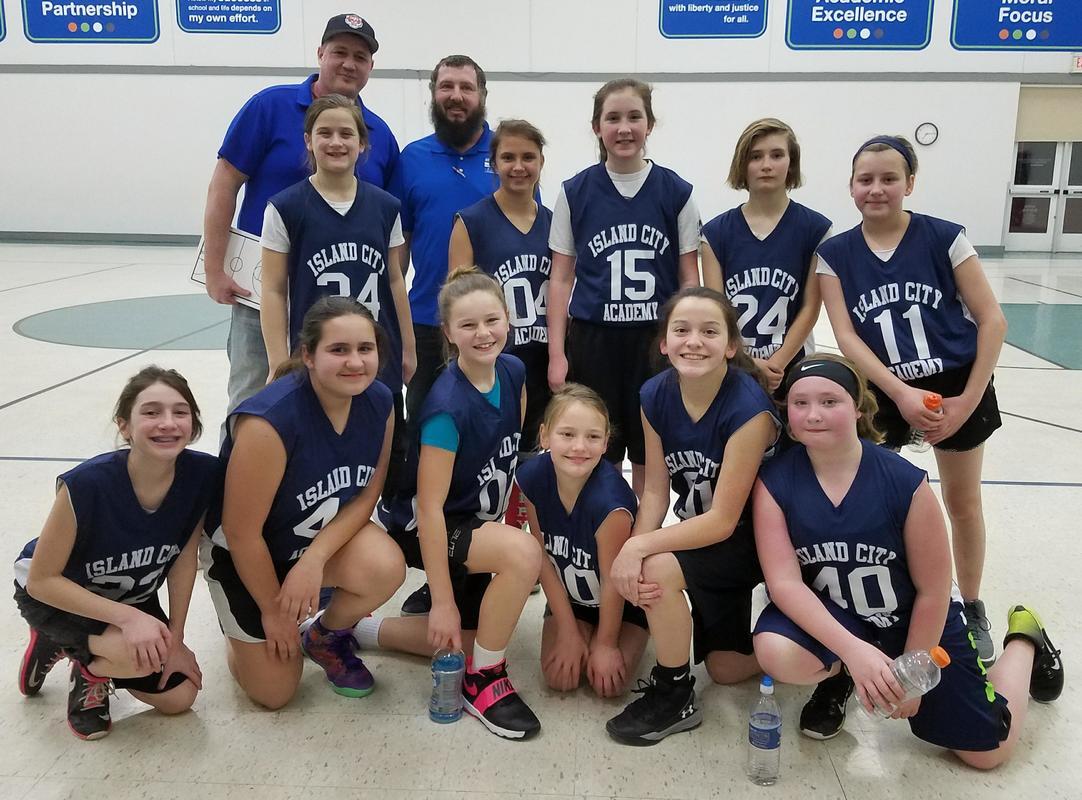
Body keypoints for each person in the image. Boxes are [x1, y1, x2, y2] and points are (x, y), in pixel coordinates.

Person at [752, 353, 1063, 768]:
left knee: (987, 755)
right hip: (840, 618)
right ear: (787, 414)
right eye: (800, 403)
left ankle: (1025, 639)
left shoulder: (904, 482)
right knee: (776, 649)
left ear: (858, 407)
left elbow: (934, 590)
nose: (813, 414)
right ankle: (845, 676)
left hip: (911, 620)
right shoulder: (774, 482)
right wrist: (856, 653)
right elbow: (785, 584)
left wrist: (915, 672)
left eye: (830, 401)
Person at [817, 135, 1007, 682]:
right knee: (873, 502)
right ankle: (883, 597)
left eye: (889, 178)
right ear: (851, 186)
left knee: (962, 502)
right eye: (865, 179)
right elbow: (847, 338)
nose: (876, 189)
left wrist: (968, 400)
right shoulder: (835, 253)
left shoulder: (945, 237)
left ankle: (971, 605)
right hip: (882, 388)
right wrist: (898, 393)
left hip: (955, 382)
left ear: (910, 183)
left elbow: (992, 320)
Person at [365, 267, 543, 740]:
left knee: (470, 637)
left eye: (492, 320)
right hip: (426, 527)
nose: (483, 333)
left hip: (472, 520)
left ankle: (360, 630)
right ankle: (482, 681)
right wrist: (444, 601)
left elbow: (507, 461)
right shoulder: (446, 407)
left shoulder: (514, 371)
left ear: (508, 320)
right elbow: (428, 510)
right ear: (447, 332)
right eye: (468, 325)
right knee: (523, 556)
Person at [201, 297, 405, 709]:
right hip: (244, 555)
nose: (355, 362)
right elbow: (241, 534)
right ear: (308, 355)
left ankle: (325, 636)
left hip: (309, 544)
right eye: (338, 349)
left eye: (365, 349)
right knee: (275, 693)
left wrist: (314, 560)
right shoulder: (268, 422)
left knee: (385, 566)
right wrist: (273, 612)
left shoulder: (380, 400)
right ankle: (238, 633)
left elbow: (367, 496)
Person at [203, 13, 400, 418]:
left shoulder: (379, 134)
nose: (349, 63)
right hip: (262, 292)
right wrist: (214, 267)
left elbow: (390, 231)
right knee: (256, 397)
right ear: (320, 53)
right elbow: (224, 183)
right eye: (340, 52)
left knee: (336, 408)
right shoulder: (269, 107)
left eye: (359, 57)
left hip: (340, 301)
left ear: (370, 67)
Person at [606, 287, 779, 746]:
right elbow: (655, 491)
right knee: (724, 669)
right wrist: (632, 553)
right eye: (681, 330)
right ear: (664, 342)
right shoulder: (654, 394)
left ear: (731, 345)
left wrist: (639, 547)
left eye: (709, 331)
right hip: (708, 536)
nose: (694, 341)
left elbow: (724, 520)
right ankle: (789, 648)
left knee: (656, 567)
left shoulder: (749, 408)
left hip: (760, 541)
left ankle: (675, 692)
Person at [14, 367, 218, 740]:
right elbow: (41, 581)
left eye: (180, 412)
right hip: (59, 598)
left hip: (128, 596)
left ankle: (82, 651)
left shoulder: (202, 474)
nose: (168, 423)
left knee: (180, 696)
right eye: (151, 412)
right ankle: (85, 666)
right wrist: (129, 619)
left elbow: (183, 560)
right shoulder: (87, 484)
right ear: (124, 425)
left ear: (193, 423)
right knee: (131, 654)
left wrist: (175, 638)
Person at [547, 79, 700, 497]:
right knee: (599, 447)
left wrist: (686, 342)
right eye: (612, 118)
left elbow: (689, 279)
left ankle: (644, 530)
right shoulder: (575, 191)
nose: (624, 128)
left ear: (650, 124)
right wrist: (557, 353)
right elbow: (560, 278)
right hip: (594, 341)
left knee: (651, 452)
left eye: (634, 117)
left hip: (655, 341)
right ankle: (607, 525)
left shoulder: (676, 192)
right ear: (597, 127)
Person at [260, 93, 415, 496]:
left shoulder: (386, 206)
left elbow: (394, 280)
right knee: (318, 454)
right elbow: (273, 289)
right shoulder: (285, 207)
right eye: (324, 133)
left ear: (363, 143)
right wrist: (277, 360)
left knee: (381, 452)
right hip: (319, 356)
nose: (336, 142)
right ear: (308, 141)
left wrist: (408, 347)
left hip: (374, 352)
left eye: (346, 133)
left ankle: (381, 518)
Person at [390, 54, 499, 615]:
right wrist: (396, 322)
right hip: (429, 326)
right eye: (447, 86)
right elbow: (399, 246)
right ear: (434, 93)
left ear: (482, 95)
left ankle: (488, 554)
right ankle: (438, 566)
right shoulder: (412, 159)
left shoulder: (505, 154)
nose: (456, 96)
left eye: (467, 87)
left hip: (488, 331)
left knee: (490, 445)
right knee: (431, 446)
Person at [517, 384, 648, 698]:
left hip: (622, 602)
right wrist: (567, 629)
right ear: (545, 436)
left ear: (605, 443)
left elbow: (613, 580)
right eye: (567, 434)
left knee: (608, 685)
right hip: (572, 598)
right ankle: (580, 629)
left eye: (592, 436)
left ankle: (631, 631)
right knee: (559, 678)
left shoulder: (610, 502)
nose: (579, 447)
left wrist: (606, 644)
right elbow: (542, 558)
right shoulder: (532, 477)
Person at [701, 118, 831, 396]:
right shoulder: (715, 233)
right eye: (755, 156)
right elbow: (716, 310)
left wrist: (777, 364)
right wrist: (746, 362)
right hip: (733, 363)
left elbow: (811, 308)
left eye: (777, 155)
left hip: (792, 365)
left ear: (791, 163)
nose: (766, 165)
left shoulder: (816, 229)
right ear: (742, 164)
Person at [450, 119, 553, 452]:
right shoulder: (471, 222)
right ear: (493, 163)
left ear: (541, 161)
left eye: (528, 157)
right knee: (492, 452)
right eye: (508, 157)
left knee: (536, 456)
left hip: (544, 360)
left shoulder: (555, 223)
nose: (518, 167)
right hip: (494, 361)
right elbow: (456, 300)